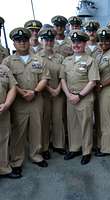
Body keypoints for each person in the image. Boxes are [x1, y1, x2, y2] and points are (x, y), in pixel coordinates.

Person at [2, 27, 51, 175]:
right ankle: (17, 160)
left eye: (24, 40)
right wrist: (23, 93)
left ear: (29, 41)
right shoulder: (8, 61)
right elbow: (10, 83)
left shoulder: (39, 59)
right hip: (18, 102)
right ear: (14, 43)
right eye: (18, 41)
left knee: (37, 129)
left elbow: (44, 78)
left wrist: (34, 92)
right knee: (18, 132)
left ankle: (36, 155)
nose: (22, 43)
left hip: (36, 99)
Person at [60, 30, 100, 165]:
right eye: (74, 42)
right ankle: (74, 148)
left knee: (86, 125)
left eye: (79, 42)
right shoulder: (67, 60)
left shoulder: (90, 60)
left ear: (85, 43)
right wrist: (68, 95)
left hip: (84, 97)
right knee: (72, 124)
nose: (76, 45)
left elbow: (92, 82)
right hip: (70, 97)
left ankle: (86, 151)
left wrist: (79, 95)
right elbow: (63, 80)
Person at [37, 27, 66, 160]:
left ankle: (58, 145)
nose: (49, 42)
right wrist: (50, 89)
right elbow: (38, 77)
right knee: (45, 120)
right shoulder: (37, 57)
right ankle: (44, 147)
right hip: (44, 93)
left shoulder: (60, 57)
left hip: (58, 92)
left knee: (58, 118)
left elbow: (63, 75)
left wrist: (58, 89)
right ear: (41, 41)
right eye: (46, 40)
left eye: (51, 40)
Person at [94, 27, 110, 157]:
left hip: (107, 90)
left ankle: (107, 148)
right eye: (101, 41)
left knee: (107, 120)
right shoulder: (99, 55)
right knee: (99, 119)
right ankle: (100, 144)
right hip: (99, 90)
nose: (103, 43)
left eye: (107, 41)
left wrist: (102, 84)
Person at [0, 64, 21, 178]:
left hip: (2, 111)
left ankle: (3, 168)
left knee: (3, 140)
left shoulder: (4, 69)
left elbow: (12, 87)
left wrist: (7, 104)